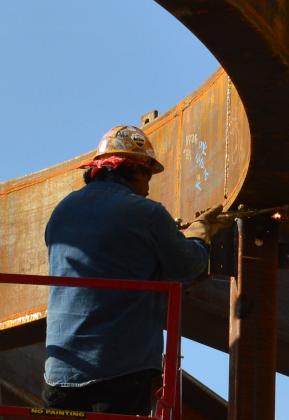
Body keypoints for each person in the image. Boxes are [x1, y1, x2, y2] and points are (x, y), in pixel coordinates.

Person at [42, 125, 224, 416]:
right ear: (135, 171)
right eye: (148, 175)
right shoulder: (146, 212)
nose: (149, 186)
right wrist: (198, 235)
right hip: (121, 366)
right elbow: (188, 266)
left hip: (61, 369)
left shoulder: (62, 211)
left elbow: (104, 255)